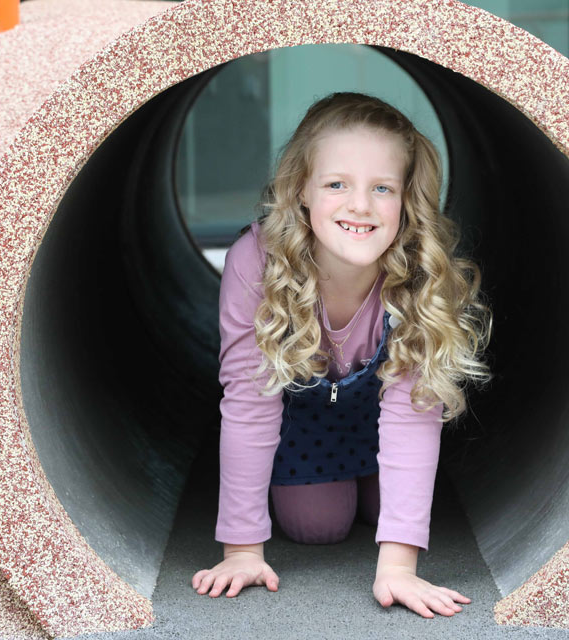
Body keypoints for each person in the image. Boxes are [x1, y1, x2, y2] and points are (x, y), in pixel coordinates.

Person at [191, 91, 493, 619]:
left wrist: (398, 567)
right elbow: (248, 400)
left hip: (378, 413)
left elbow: (412, 410)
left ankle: (377, 489)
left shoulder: (414, 270)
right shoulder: (257, 262)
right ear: (301, 191)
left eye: (382, 188)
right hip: (301, 418)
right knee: (318, 526)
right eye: (337, 184)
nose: (360, 205)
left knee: (390, 513)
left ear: (406, 199)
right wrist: (241, 551)